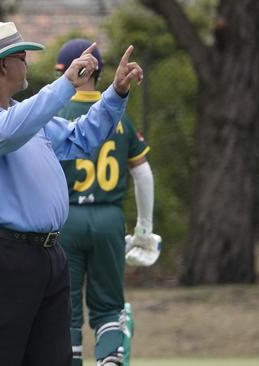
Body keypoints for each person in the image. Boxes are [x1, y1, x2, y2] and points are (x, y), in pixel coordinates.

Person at [0, 21, 143, 366]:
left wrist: (116, 94)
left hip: (48, 256)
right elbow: (9, 132)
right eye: (23, 57)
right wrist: (66, 84)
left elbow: (79, 137)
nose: (27, 65)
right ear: (3, 64)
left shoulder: (19, 113)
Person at [54, 39, 161, 366]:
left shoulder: (55, 112)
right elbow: (143, 174)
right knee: (108, 308)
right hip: (109, 220)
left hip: (66, 220)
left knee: (66, 312)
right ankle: (110, 360)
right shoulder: (120, 115)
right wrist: (144, 227)